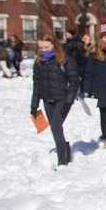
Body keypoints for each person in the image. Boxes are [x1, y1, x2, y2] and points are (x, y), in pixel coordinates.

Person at [31, 35, 81, 166]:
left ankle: (62, 161)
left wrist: (68, 102)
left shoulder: (65, 60)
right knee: (56, 128)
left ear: (54, 46)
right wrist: (34, 104)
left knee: (55, 127)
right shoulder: (38, 62)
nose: (43, 50)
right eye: (41, 47)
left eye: (46, 47)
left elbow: (74, 82)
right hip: (47, 100)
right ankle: (65, 152)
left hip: (62, 100)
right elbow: (36, 84)